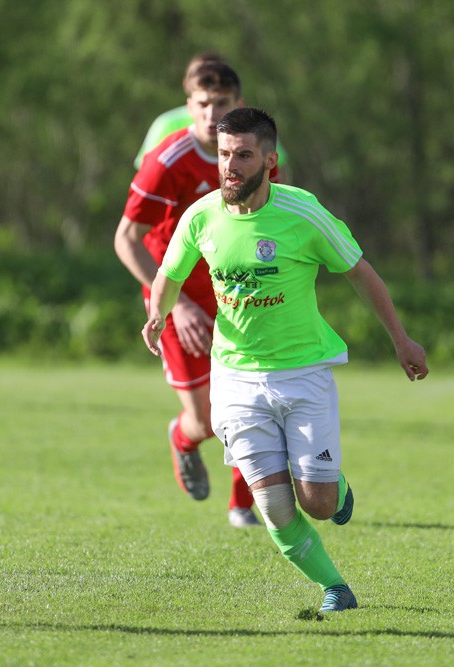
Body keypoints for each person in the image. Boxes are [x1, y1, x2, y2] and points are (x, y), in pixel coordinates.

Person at [143, 107, 428, 612]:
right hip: (235, 380)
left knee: (317, 503)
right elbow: (169, 272)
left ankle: (334, 488)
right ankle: (335, 588)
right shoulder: (202, 216)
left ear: (270, 161)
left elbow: (360, 272)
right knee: (274, 505)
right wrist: (158, 314)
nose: (230, 166)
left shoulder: (303, 212)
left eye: (243, 155)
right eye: (224, 155)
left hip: (303, 374)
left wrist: (401, 340)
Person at [116, 61, 273, 528]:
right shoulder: (167, 161)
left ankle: (243, 504)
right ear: (189, 106)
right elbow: (126, 239)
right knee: (206, 422)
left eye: (221, 103)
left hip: (237, 293)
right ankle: (183, 439)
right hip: (178, 298)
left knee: (252, 402)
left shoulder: (257, 157)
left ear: (238, 105)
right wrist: (176, 303)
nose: (211, 114)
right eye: (202, 104)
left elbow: (268, 221)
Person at [133, 52, 290, 177]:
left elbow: (278, 172)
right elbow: (147, 177)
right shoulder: (167, 123)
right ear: (187, 83)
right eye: (202, 76)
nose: (211, 113)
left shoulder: (256, 126)